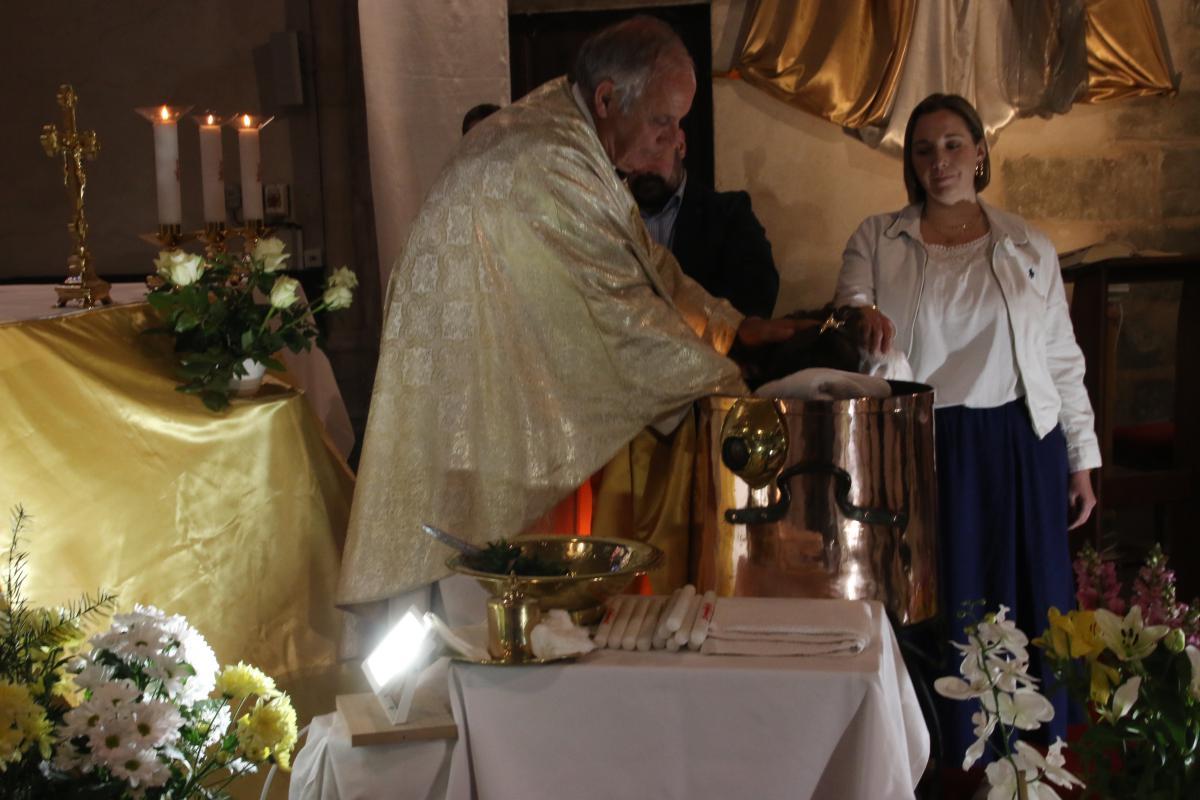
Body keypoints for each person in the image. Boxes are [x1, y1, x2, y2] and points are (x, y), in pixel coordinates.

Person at [338, 16, 802, 612]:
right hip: (477, 411)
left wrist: (730, 326)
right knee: (486, 600)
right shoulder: (552, 159)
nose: (673, 138)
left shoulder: (570, 134)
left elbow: (643, 259)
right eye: (662, 120)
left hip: (494, 389)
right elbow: (622, 312)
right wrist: (728, 385)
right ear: (608, 99)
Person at [835, 93, 1100, 759]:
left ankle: (1031, 749)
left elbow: (1061, 357)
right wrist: (860, 319)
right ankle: (946, 749)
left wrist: (1082, 458)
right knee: (947, 595)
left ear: (980, 152)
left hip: (1020, 440)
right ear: (911, 163)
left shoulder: (1027, 243)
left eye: (953, 144)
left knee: (1026, 592)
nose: (940, 161)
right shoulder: (878, 238)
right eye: (924, 149)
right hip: (928, 443)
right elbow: (850, 303)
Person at [629, 132, 779, 319]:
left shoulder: (728, 213)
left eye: (654, 152)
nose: (643, 167)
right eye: (632, 154)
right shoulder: (611, 215)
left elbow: (759, 291)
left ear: (680, 146)